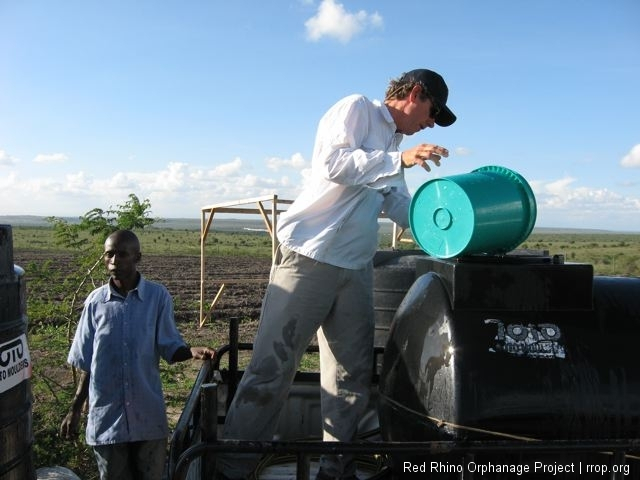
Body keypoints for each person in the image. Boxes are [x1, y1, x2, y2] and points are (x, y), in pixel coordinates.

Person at [215, 68, 457, 480]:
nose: (430, 124)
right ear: (415, 94)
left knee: (351, 375)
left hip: (356, 268)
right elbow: (333, 163)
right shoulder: (358, 109)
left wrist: (447, 229)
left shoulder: (394, 145)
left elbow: (397, 205)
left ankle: (336, 469)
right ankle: (231, 469)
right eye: (433, 112)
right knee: (272, 368)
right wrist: (397, 159)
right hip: (308, 257)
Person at [60, 229, 215, 480]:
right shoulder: (95, 303)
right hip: (106, 419)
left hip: (147, 417)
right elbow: (87, 362)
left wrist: (191, 352)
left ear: (137, 257)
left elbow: (169, 347)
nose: (114, 261)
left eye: (122, 254)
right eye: (109, 254)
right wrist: (75, 409)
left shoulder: (157, 297)